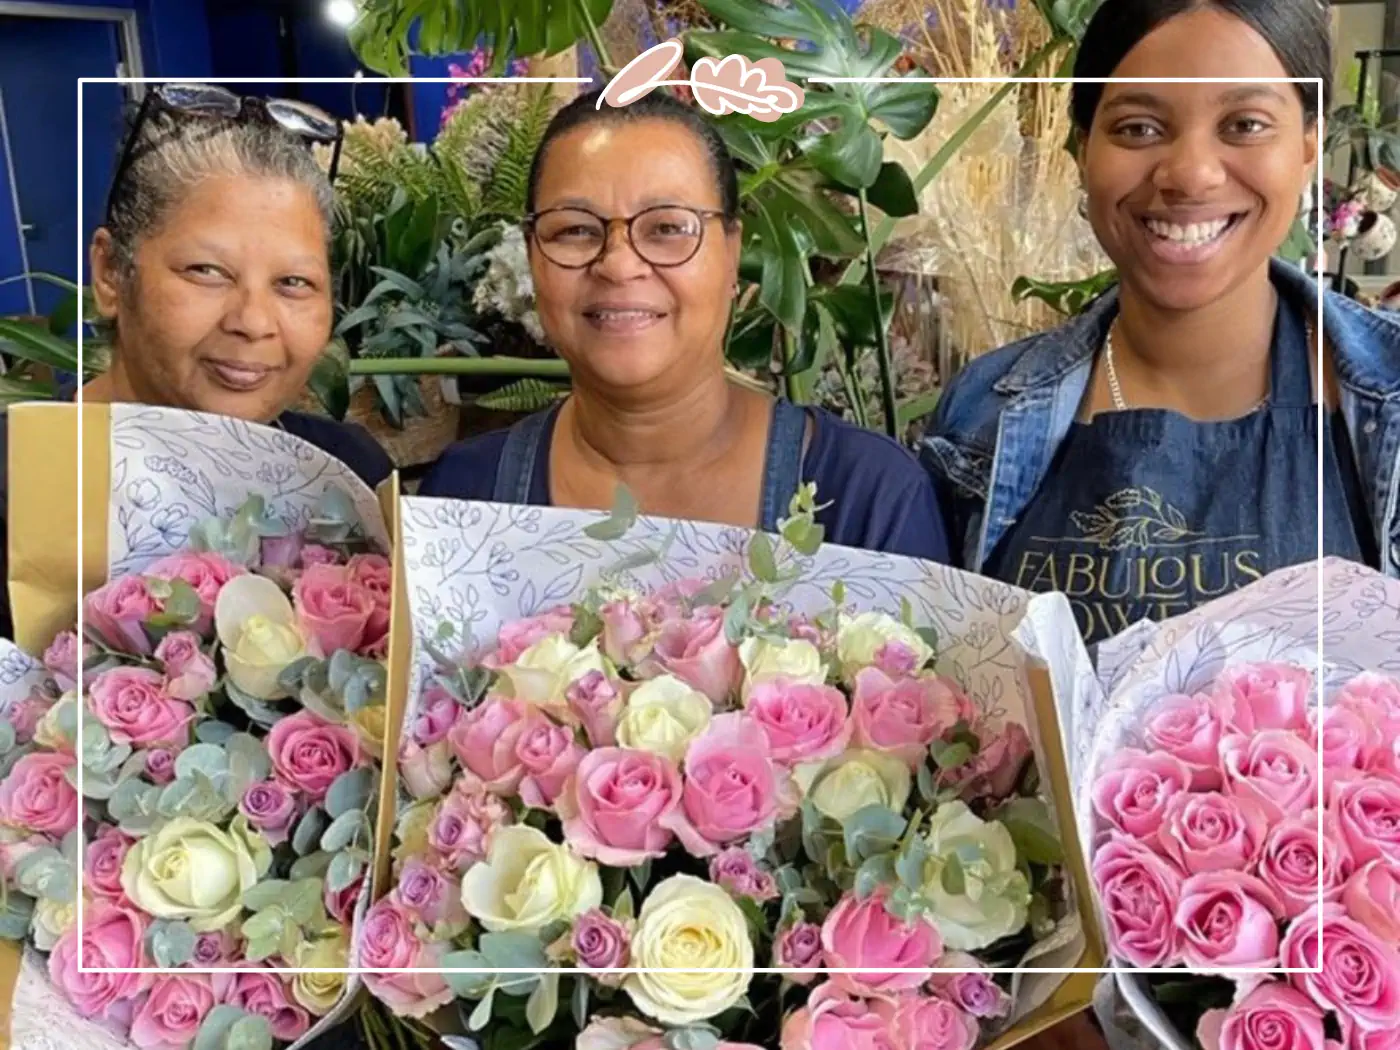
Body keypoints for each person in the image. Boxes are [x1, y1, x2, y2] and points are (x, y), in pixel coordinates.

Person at [921, 0, 1400, 645]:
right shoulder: (983, 415)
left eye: (1245, 124)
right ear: (1082, 149)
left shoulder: (1386, 396)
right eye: (1139, 129)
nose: (1190, 175)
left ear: (1307, 150)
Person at [419, 88, 950, 563]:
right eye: (576, 230)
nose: (619, 264)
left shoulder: (869, 500)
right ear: (533, 257)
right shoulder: (465, 493)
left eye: (668, 227)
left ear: (731, 252)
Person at [0, 84, 393, 638]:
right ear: (112, 273)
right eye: (207, 271)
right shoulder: (15, 479)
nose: (254, 321)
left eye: (294, 283)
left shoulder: (347, 476)